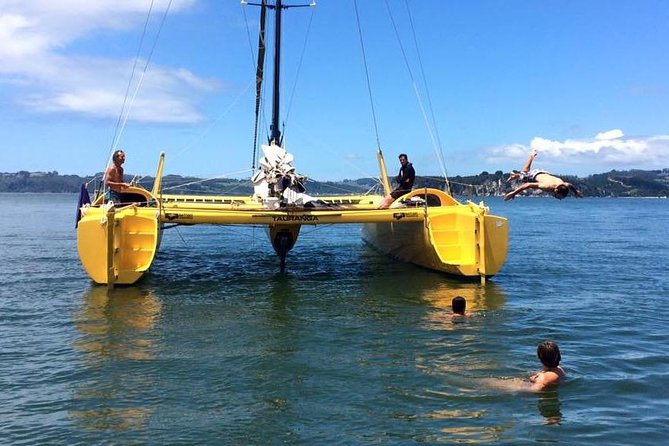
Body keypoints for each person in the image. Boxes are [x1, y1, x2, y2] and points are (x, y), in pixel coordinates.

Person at [504, 149, 582, 201]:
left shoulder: (564, 185)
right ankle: (531, 155)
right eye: (559, 197)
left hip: (545, 173)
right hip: (535, 175)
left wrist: (576, 192)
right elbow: (528, 185)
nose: (560, 199)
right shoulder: (546, 186)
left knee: (524, 175)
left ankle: (515, 176)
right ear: (556, 190)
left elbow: (569, 185)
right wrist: (513, 193)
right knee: (525, 172)